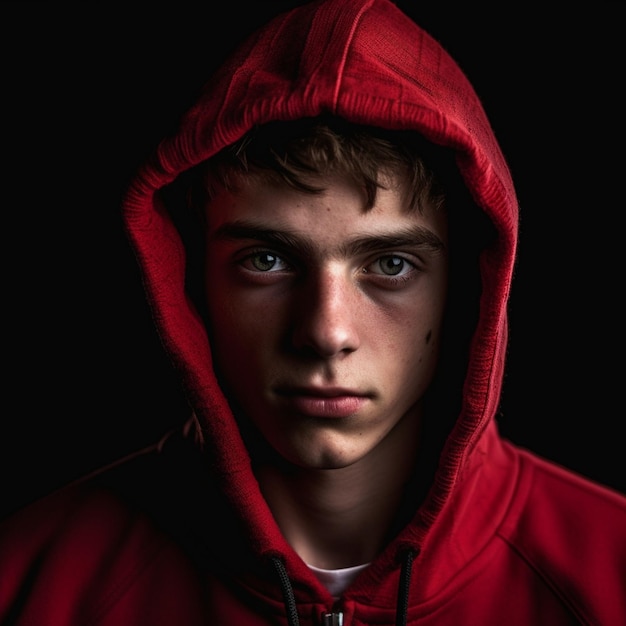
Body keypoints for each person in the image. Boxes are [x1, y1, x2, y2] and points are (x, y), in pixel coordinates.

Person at [1, 1, 624, 624]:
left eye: (390, 265)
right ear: (190, 279)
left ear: (465, 288)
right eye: (267, 261)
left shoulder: (610, 574)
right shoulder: (28, 581)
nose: (327, 333)